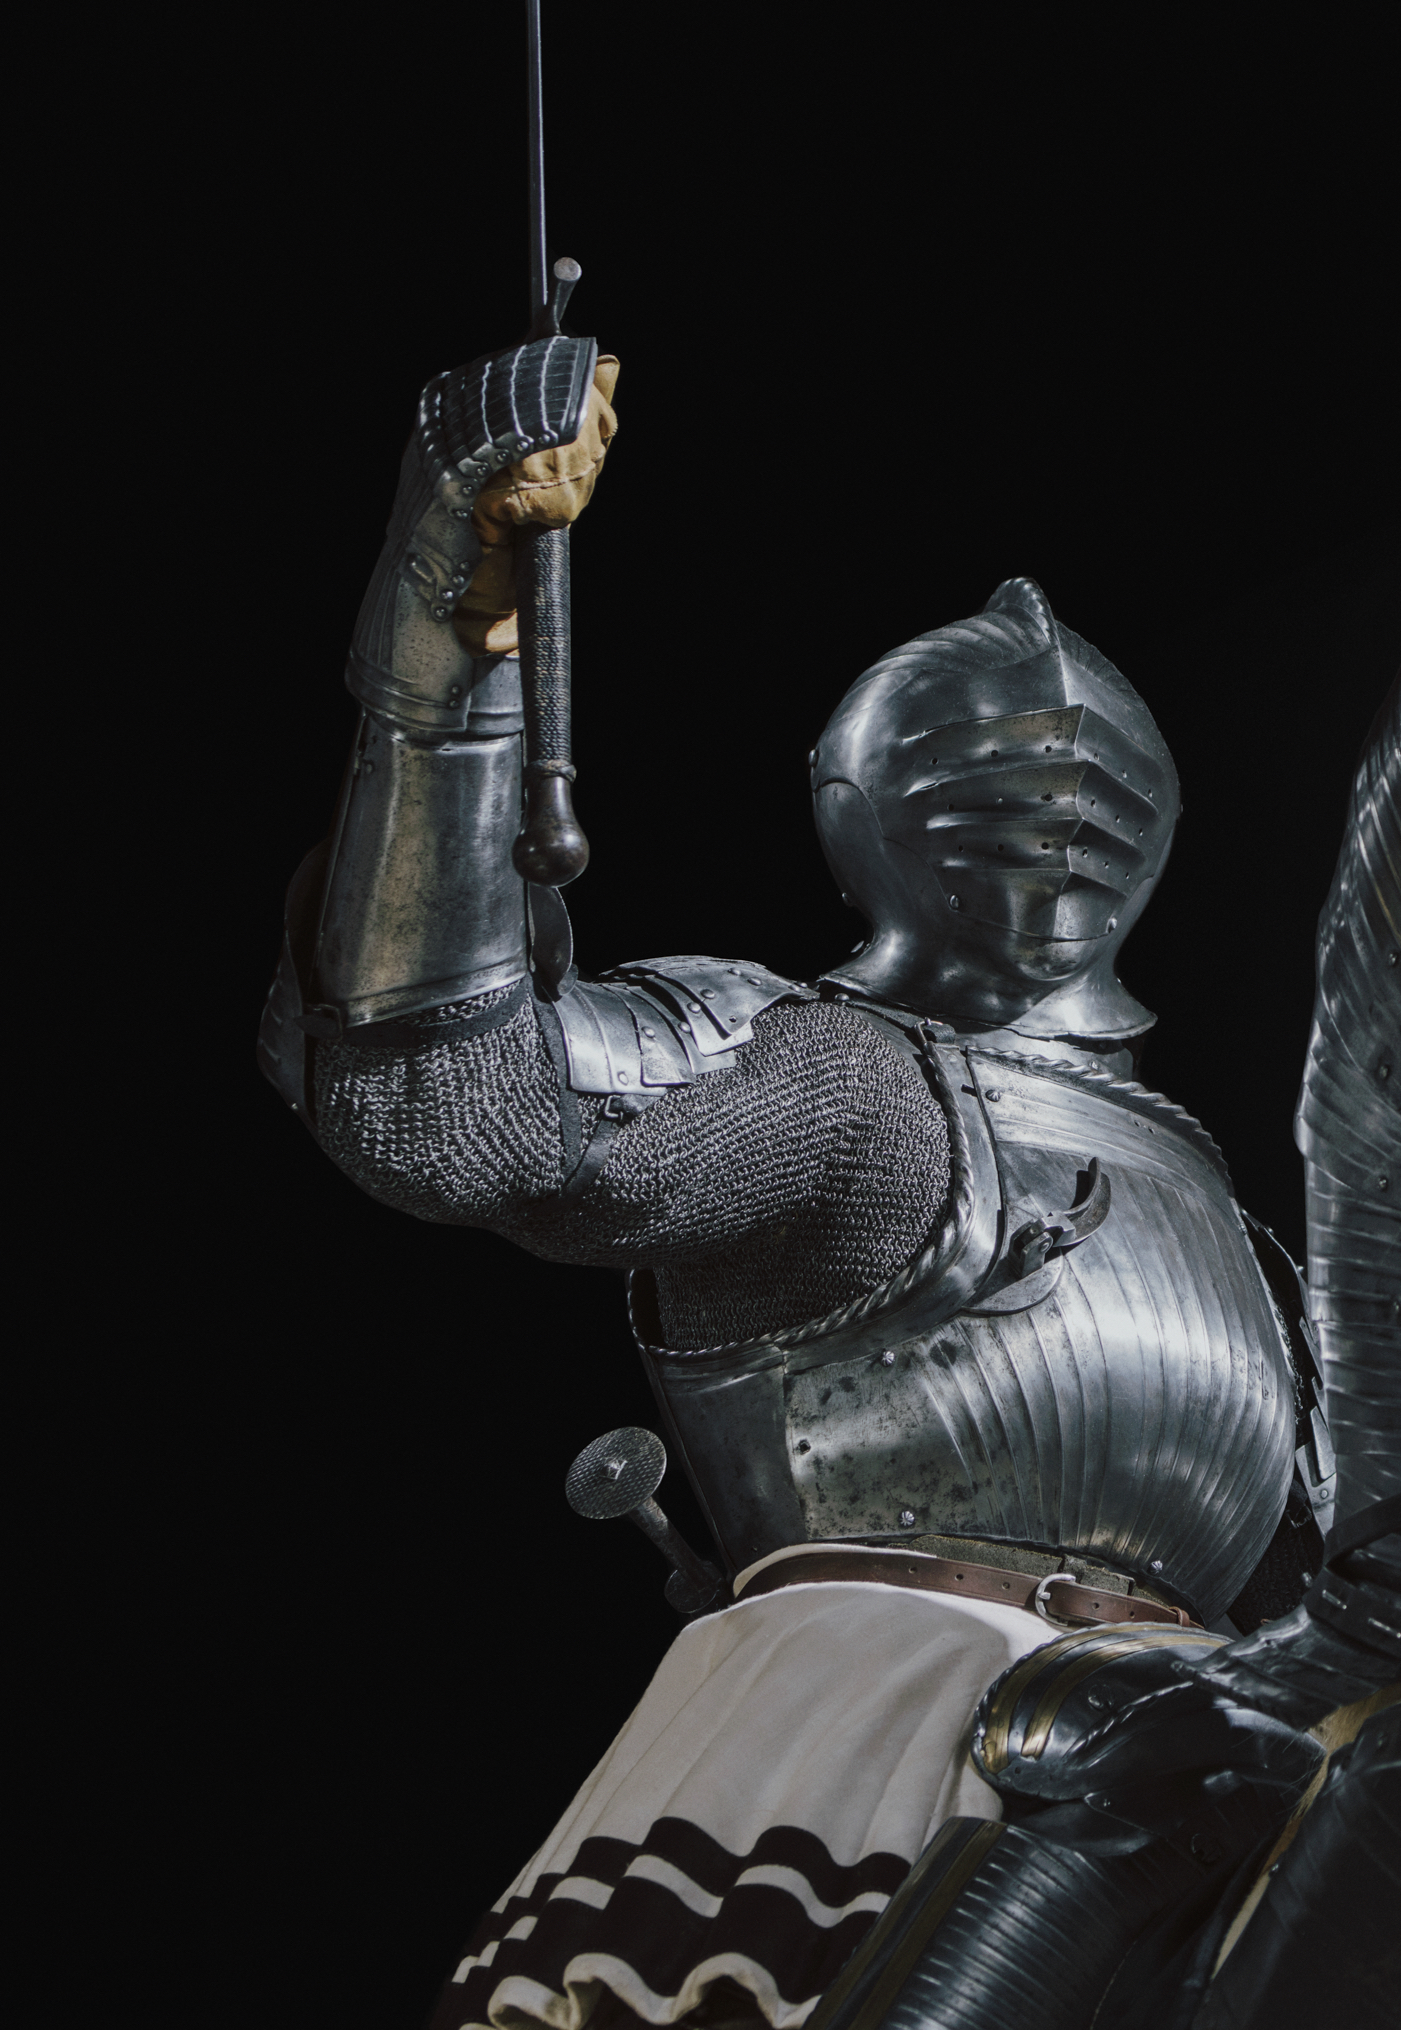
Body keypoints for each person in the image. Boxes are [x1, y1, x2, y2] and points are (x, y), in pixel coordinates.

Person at [260, 337, 1319, 2030]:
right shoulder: (831, 1074)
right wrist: (451, 630)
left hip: (1200, 1777)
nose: (1050, 824)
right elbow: (448, 1095)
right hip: (870, 1735)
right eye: (1004, 788)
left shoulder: (1215, 1187)